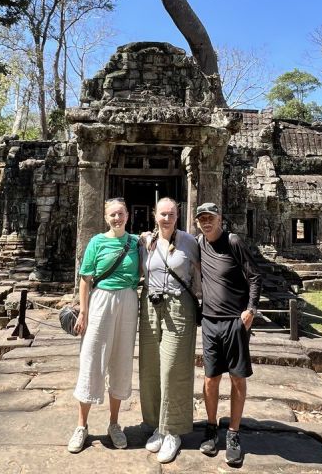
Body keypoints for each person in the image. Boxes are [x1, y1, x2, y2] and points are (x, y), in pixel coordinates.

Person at [68, 198, 140, 454]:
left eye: (120, 213)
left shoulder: (136, 243)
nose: (117, 218)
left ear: (128, 215)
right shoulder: (96, 242)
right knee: (91, 359)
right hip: (101, 301)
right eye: (112, 215)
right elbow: (85, 279)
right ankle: (81, 425)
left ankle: (114, 424)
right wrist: (83, 312)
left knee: (121, 362)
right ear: (105, 217)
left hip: (129, 300)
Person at [194, 202, 262, 467]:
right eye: (202, 219)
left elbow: (255, 276)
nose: (206, 222)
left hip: (235, 321)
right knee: (210, 378)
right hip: (209, 321)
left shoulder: (232, 241)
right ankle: (211, 428)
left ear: (220, 218)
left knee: (237, 378)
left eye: (210, 217)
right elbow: (172, 238)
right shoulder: (198, 243)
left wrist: (251, 310)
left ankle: (233, 433)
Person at [138, 197, 201, 464]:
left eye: (171, 214)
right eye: (162, 214)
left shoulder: (190, 241)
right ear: (154, 215)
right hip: (151, 305)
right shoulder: (144, 242)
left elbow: (204, 271)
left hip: (179, 306)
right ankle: (157, 425)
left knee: (173, 368)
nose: (167, 218)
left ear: (178, 216)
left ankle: (173, 430)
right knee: (151, 367)